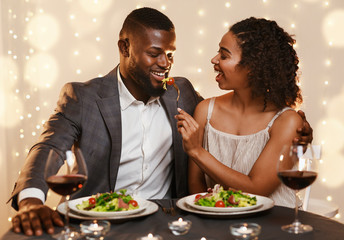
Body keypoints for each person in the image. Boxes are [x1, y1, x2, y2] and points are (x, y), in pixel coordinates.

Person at [8, 9, 312, 236]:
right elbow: (47, 147)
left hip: (171, 226)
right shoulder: (84, 97)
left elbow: (246, 110)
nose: (165, 63)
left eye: (170, 54)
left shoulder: (183, 94)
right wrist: (31, 201)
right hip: (103, 224)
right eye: (154, 54)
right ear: (125, 48)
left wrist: (296, 121)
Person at [175, 17, 307, 208]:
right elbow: (196, 185)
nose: (214, 60)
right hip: (217, 226)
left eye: (224, 55)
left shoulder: (286, 122)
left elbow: (256, 190)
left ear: (252, 68)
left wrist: (197, 152)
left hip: (274, 226)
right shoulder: (206, 110)